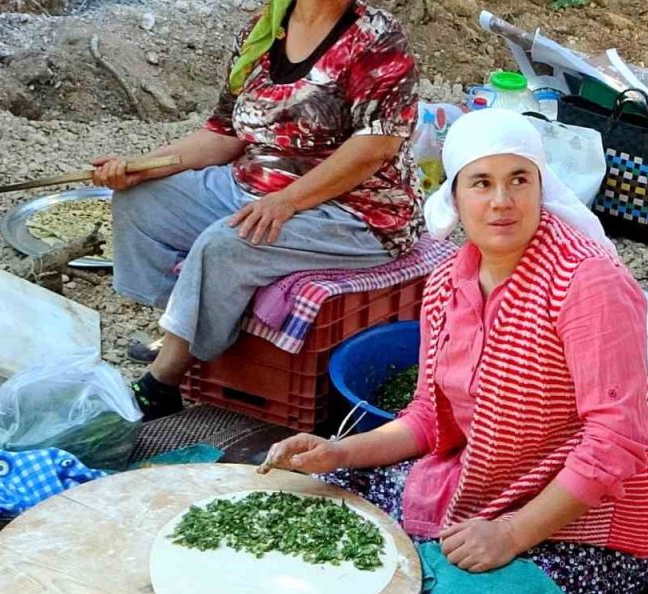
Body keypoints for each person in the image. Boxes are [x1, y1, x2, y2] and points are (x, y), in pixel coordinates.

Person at [260, 109, 648, 594]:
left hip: (592, 529)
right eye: (481, 182)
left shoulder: (587, 280)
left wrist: (509, 534)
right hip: (487, 488)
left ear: (540, 186)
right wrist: (338, 451)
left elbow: (616, 442)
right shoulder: (448, 282)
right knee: (314, 502)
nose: (502, 201)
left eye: (518, 180)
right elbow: (430, 421)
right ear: (456, 198)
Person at [92, 0, 422, 421]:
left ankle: (163, 382)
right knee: (143, 201)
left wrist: (288, 201)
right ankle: (182, 331)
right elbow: (224, 133)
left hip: (355, 209)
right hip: (256, 183)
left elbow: (375, 148)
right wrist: (144, 166)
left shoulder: (376, 37)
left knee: (226, 242)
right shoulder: (262, 30)